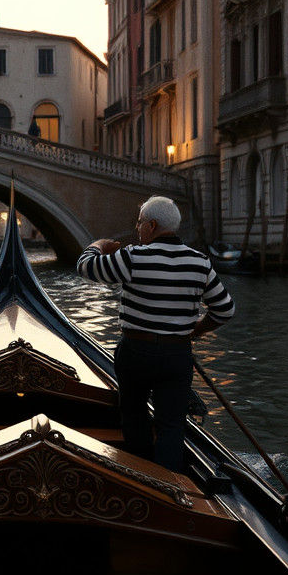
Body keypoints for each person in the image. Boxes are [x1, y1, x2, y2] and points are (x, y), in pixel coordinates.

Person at [76, 196, 235, 472]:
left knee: (134, 415)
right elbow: (225, 310)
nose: (137, 229)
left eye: (139, 223)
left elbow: (86, 266)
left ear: (151, 225)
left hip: (136, 352)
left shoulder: (133, 257)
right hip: (177, 355)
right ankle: (172, 487)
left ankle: (142, 476)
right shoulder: (200, 262)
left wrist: (99, 244)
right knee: (172, 425)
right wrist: (194, 330)